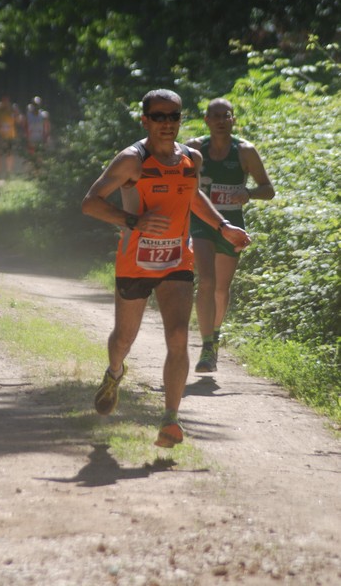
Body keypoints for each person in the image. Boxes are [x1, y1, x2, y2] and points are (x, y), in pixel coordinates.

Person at [81, 89, 251, 448]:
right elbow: (90, 203)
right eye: (159, 117)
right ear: (145, 120)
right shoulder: (132, 160)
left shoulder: (191, 157)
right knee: (123, 339)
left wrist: (223, 226)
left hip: (176, 259)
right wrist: (134, 221)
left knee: (177, 337)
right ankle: (114, 373)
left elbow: (192, 197)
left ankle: (170, 420)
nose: (167, 123)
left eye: (174, 116)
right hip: (136, 262)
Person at [186, 98, 275, 373]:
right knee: (207, 281)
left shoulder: (245, 151)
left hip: (233, 225)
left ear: (233, 120)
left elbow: (268, 189)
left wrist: (247, 193)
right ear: (206, 120)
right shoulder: (194, 148)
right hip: (201, 222)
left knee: (221, 287)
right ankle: (207, 346)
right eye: (216, 116)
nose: (222, 120)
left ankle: (215, 334)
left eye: (227, 116)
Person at [0, 94, 20, 178]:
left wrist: (16, 112)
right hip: (1, 136)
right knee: (0, 154)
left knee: (9, 154)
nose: (5, 102)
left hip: (10, 136)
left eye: (6, 100)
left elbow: (18, 121)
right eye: (3, 100)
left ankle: (9, 172)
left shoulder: (12, 110)